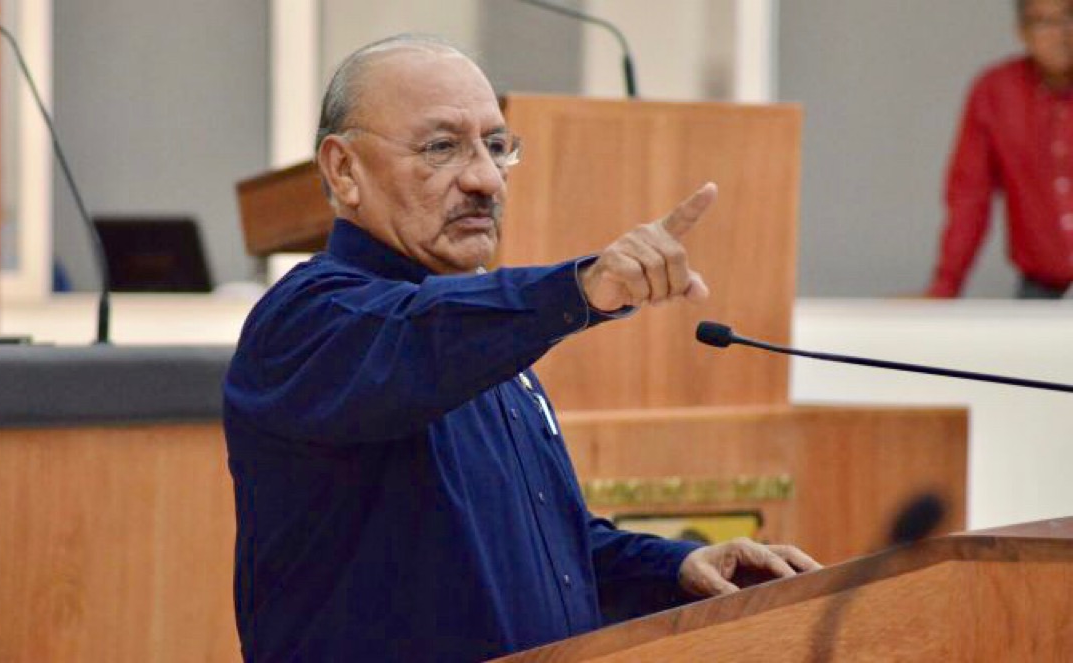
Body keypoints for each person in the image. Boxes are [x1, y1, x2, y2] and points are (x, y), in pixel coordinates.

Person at [223, 34, 820, 662]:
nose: (485, 178)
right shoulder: (306, 322)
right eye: (442, 147)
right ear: (344, 170)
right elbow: (417, 334)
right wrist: (582, 289)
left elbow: (548, 548)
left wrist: (678, 566)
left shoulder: (490, 336)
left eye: (497, 146)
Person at [927, 0, 1073, 299]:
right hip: (1041, 288)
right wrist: (946, 284)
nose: (1062, 33)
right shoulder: (995, 92)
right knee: (1032, 346)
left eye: (1071, 16)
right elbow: (970, 195)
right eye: (1044, 22)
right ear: (1022, 31)